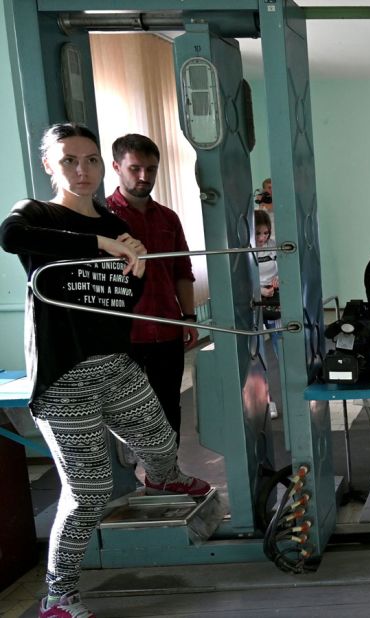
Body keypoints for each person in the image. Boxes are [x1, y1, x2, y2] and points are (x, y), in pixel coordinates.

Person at [0, 123, 210, 618]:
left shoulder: (122, 228)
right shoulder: (35, 215)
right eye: (69, 159)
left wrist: (129, 262)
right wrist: (101, 246)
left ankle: (162, 480)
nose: (82, 169)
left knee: (162, 445)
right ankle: (59, 595)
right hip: (64, 375)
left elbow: (122, 297)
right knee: (88, 491)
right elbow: (11, 237)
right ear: (50, 165)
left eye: (90, 159)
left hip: (115, 364)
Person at [106, 134, 198, 444]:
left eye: (151, 169)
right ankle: (133, 476)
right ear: (116, 167)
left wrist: (189, 317)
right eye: (135, 168)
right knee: (124, 410)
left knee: (169, 405)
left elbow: (182, 272)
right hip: (123, 335)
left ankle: (169, 473)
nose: (144, 176)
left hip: (167, 329)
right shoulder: (102, 218)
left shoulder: (168, 218)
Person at [255, 207, 281, 419]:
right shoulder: (246, 249)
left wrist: (278, 280)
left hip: (274, 298)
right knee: (259, 354)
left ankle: (293, 395)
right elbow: (242, 277)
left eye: (266, 233)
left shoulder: (273, 246)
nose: (263, 238)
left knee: (280, 345)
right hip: (255, 300)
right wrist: (260, 290)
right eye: (258, 233)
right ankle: (267, 400)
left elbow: (282, 265)